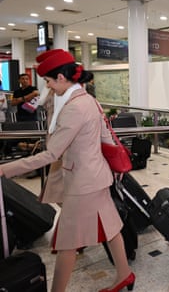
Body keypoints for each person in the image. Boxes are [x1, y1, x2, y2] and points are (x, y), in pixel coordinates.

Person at [0, 49, 134, 292]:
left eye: (49, 82)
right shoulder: (88, 100)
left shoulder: (74, 108)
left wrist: (6, 169)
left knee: (67, 245)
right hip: (97, 177)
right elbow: (106, 136)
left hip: (83, 184)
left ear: (61, 78)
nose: (49, 88)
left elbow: (51, 154)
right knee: (112, 229)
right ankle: (125, 274)